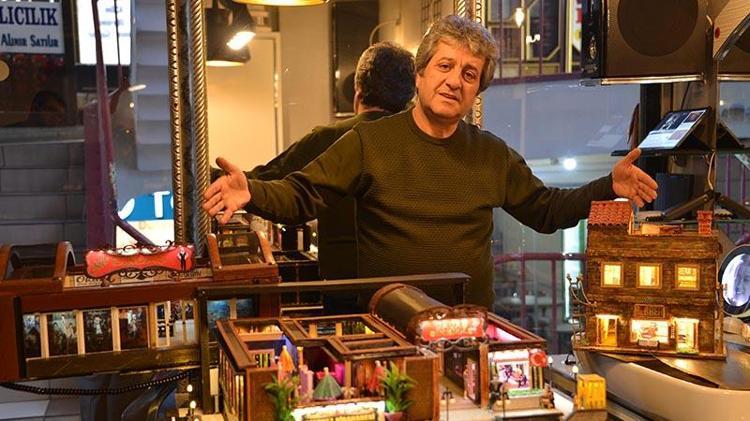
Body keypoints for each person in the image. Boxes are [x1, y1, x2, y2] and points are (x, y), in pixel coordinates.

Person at [203, 15, 658, 309]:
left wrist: (608, 186)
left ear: (476, 90)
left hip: (470, 331)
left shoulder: (492, 154)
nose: (454, 81)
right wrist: (251, 191)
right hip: (387, 334)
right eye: (444, 66)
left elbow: (546, 210)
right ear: (420, 75)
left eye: (469, 73)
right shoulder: (368, 142)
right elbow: (301, 194)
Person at [241, 42, 415, 281]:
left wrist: (209, 176)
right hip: (408, 283)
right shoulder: (419, 141)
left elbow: (267, 181)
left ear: (357, 92)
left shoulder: (329, 137)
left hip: (342, 281)